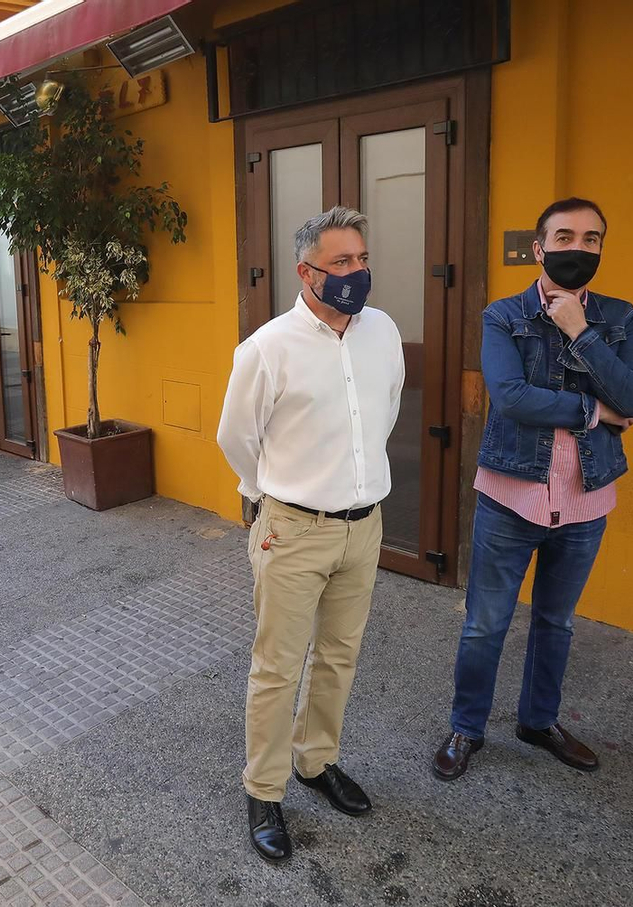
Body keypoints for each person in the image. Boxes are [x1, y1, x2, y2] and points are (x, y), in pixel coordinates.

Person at [432, 197, 633, 782]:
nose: (578, 248)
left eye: (591, 239)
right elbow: (510, 397)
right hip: (512, 495)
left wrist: (580, 333)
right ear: (539, 248)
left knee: (556, 621)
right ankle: (466, 726)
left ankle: (539, 721)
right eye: (565, 237)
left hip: (586, 500)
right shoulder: (503, 315)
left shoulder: (618, 316)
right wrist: (594, 411)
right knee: (485, 623)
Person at [217, 206, 404, 861]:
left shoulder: (382, 331)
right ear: (307, 271)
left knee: (339, 655)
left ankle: (315, 762)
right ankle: (263, 790)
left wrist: (350, 480)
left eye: (362, 258)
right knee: (276, 668)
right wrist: (265, 490)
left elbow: (385, 411)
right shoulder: (268, 347)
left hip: (363, 528)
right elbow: (235, 437)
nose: (357, 272)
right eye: (341, 263)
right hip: (293, 530)